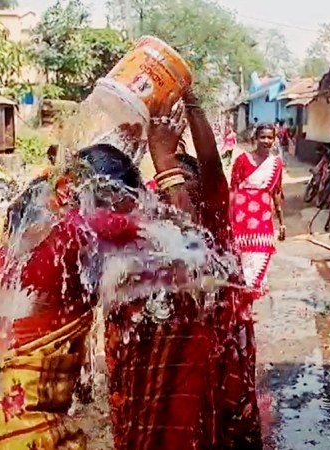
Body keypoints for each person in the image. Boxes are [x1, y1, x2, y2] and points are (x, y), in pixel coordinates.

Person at [0, 144, 157, 449]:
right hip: (12, 418)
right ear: (106, 196)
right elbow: (167, 234)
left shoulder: (31, 215)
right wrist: (167, 164)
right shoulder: (78, 231)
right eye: (122, 203)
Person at [105, 90, 262, 450]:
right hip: (162, 365)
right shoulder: (153, 232)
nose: (174, 193)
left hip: (209, 355)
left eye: (182, 181)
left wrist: (190, 99)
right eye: (165, 188)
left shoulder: (211, 221)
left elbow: (210, 164)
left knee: (208, 426)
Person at [230, 123, 285, 299]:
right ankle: (243, 304)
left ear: (274, 139)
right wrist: (228, 219)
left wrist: (282, 224)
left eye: (270, 137)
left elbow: (276, 194)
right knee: (243, 258)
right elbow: (233, 190)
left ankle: (250, 299)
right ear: (255, 138)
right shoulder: (243, 160)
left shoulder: (276, 164)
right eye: (263, 137)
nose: (266, 141)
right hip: (241, 218)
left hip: (263, 217)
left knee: (260, 255)